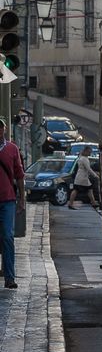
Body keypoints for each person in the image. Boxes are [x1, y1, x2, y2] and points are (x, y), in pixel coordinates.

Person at [0, 119, 25, 290]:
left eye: (0, 127)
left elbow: (19, 175)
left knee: (7, 237)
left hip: (7, 199)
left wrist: (22, 198)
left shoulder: (12, 149)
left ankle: (9, 277)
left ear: (4, 129)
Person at [68, 146, 99, 211]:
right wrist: (95, 175)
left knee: (88, 189)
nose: (90, 153)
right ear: (86, 151)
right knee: (77, 190)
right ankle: (71, 204)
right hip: (82, 178)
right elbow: (88, 168)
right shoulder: (84, 159)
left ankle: (93, 202)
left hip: (81, 177)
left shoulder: (81, 157)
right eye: (90, 152)